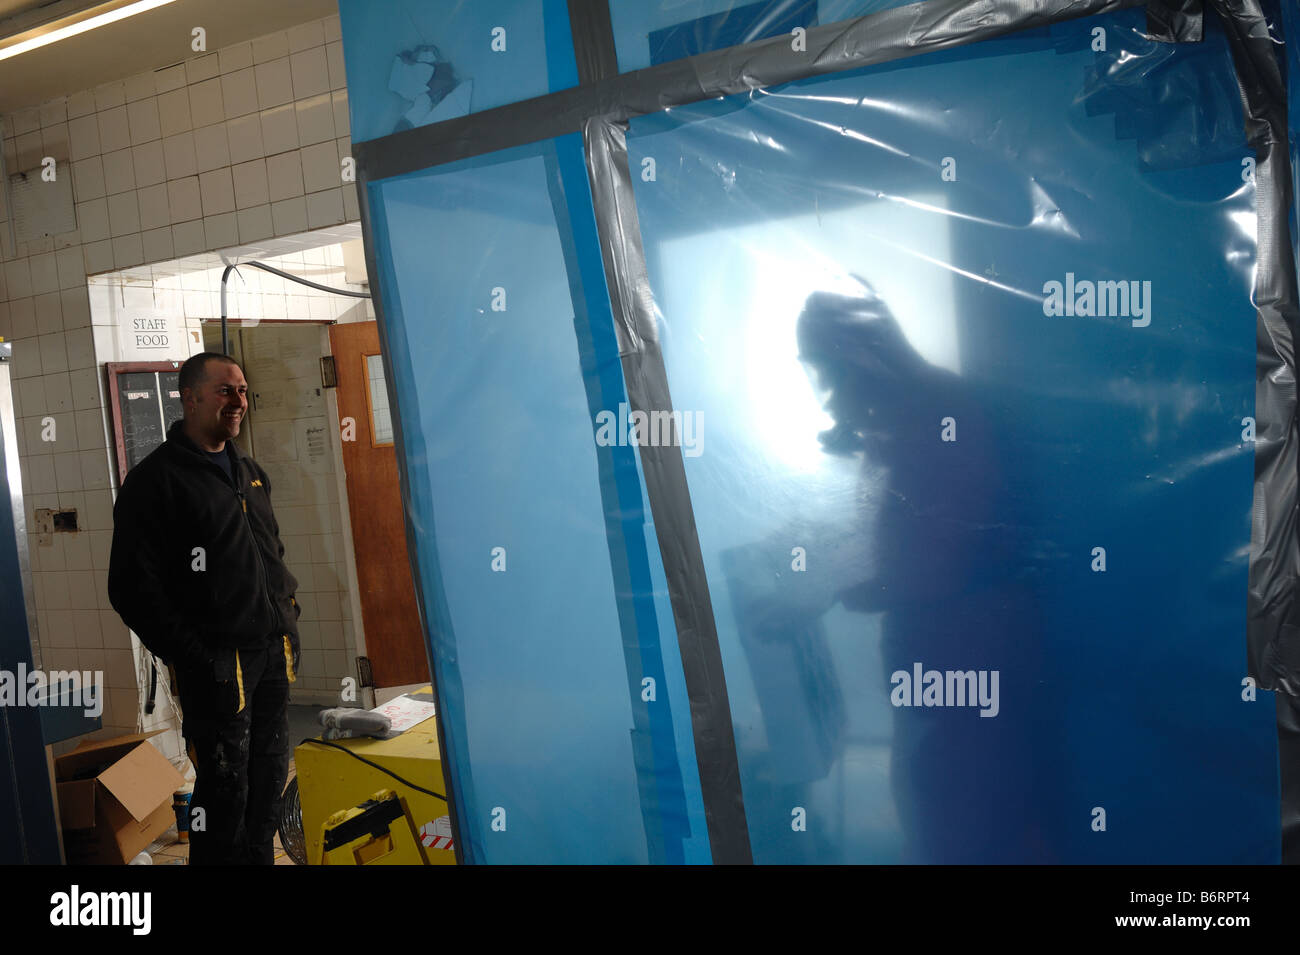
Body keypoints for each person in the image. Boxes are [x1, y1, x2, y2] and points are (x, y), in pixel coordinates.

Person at [108, 352, 301, 865]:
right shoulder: (157, 482)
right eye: (224, 391)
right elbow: (130, 589)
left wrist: (288, 618)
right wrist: (194, 655)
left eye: (241, 391)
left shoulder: (249, 472)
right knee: (223, 800)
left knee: (267, 788)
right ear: (189, 398)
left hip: (270, 657)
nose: (238, 402)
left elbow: (271, 556)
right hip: (217, 667)